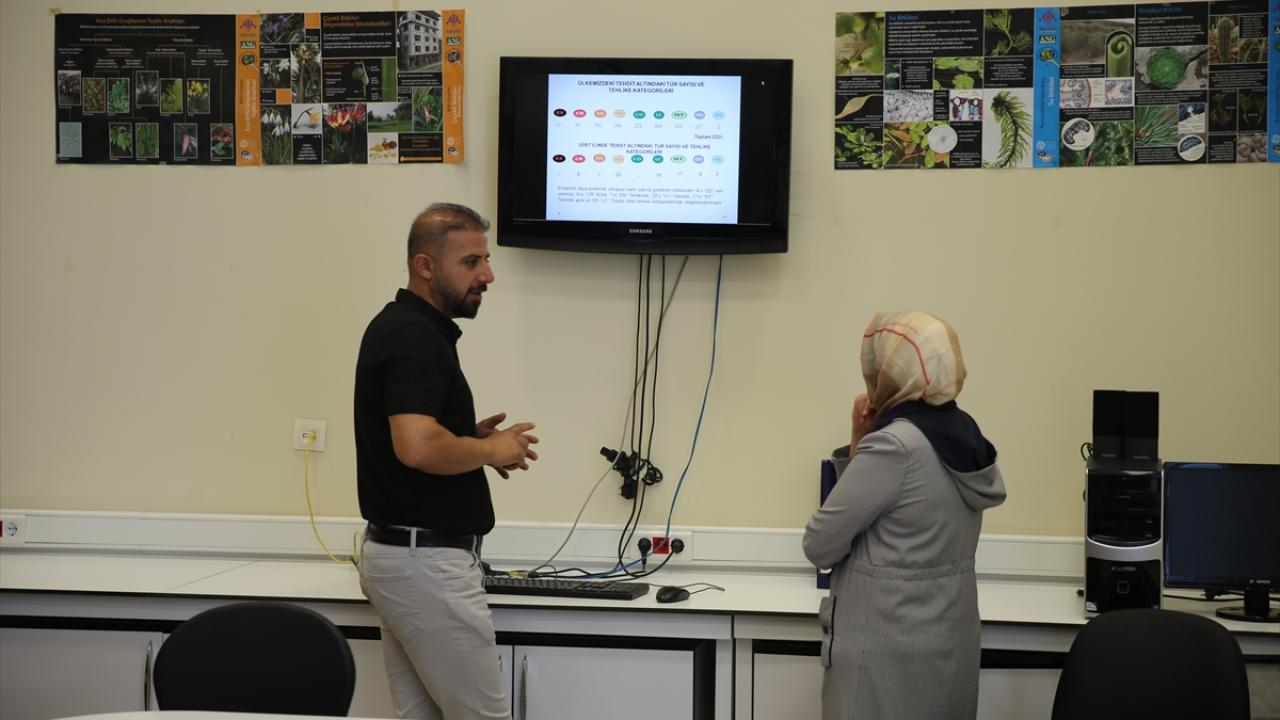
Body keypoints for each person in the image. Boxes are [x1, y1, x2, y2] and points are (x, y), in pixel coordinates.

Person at [354, 202, 538, 719]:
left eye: (486, 260)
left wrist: (466, 440)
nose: (488, 275)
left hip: (406, 557)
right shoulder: (413, 335)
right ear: (425, 266)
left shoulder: (407, 328)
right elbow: (416, 447)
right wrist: (490, 450)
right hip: (427, 564)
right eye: (471, 262)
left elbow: (411, 438)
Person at [803, 310, 1006, 720]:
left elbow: (820, 544)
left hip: (885, 656)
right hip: (947, 648)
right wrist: (862, 438)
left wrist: (862, 439)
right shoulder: (964, 434)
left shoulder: (894, 447)